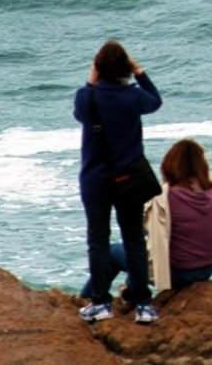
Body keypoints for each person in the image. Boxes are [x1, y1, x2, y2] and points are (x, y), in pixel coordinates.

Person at [73, 40, 163, 324]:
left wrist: (91, 81)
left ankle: (101, 303)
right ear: (125, 67)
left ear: (98, 68)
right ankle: (142, 304)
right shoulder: (133, 96)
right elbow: (156, 101)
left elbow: (80, 114)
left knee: (98, 240)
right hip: (128, 179)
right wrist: (139, 72)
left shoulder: (86, 97)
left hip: (95, 180)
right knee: (134, 238)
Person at [78, 138, 212, 299]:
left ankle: (87, 299)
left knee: (113, 251)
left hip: (176, 274)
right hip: (205, 270)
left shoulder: (165, 196)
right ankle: (130, 291)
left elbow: (151, 240)